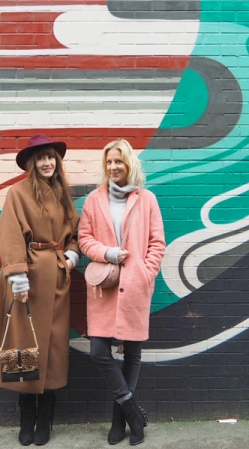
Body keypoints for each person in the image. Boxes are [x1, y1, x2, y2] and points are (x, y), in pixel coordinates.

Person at [0, 134, 80, 446]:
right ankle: (27, 413)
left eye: (50, 157)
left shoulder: (64, 195)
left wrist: (70, 257)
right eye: (41, 158)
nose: (47, 162)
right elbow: (9, 234)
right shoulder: (18, 193)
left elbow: (76, 233)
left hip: (57, 281)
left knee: (51, 348)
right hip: (27, 281)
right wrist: (18, 279)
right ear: (31, 163)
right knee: (23, 344)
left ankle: (46, 417)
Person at [79, 139, 165, 446]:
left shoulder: (147, 199)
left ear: (129, 164)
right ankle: (130, 411)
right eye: (109, 162)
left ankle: (120, 422)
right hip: (105, 286)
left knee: (132, 352)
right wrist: (108, 253)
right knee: (99, 351)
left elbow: (157, 243)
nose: (114, 167)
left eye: (119, 161)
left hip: (135, 287)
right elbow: (85, 240)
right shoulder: (93, 200)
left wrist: (145, 272)